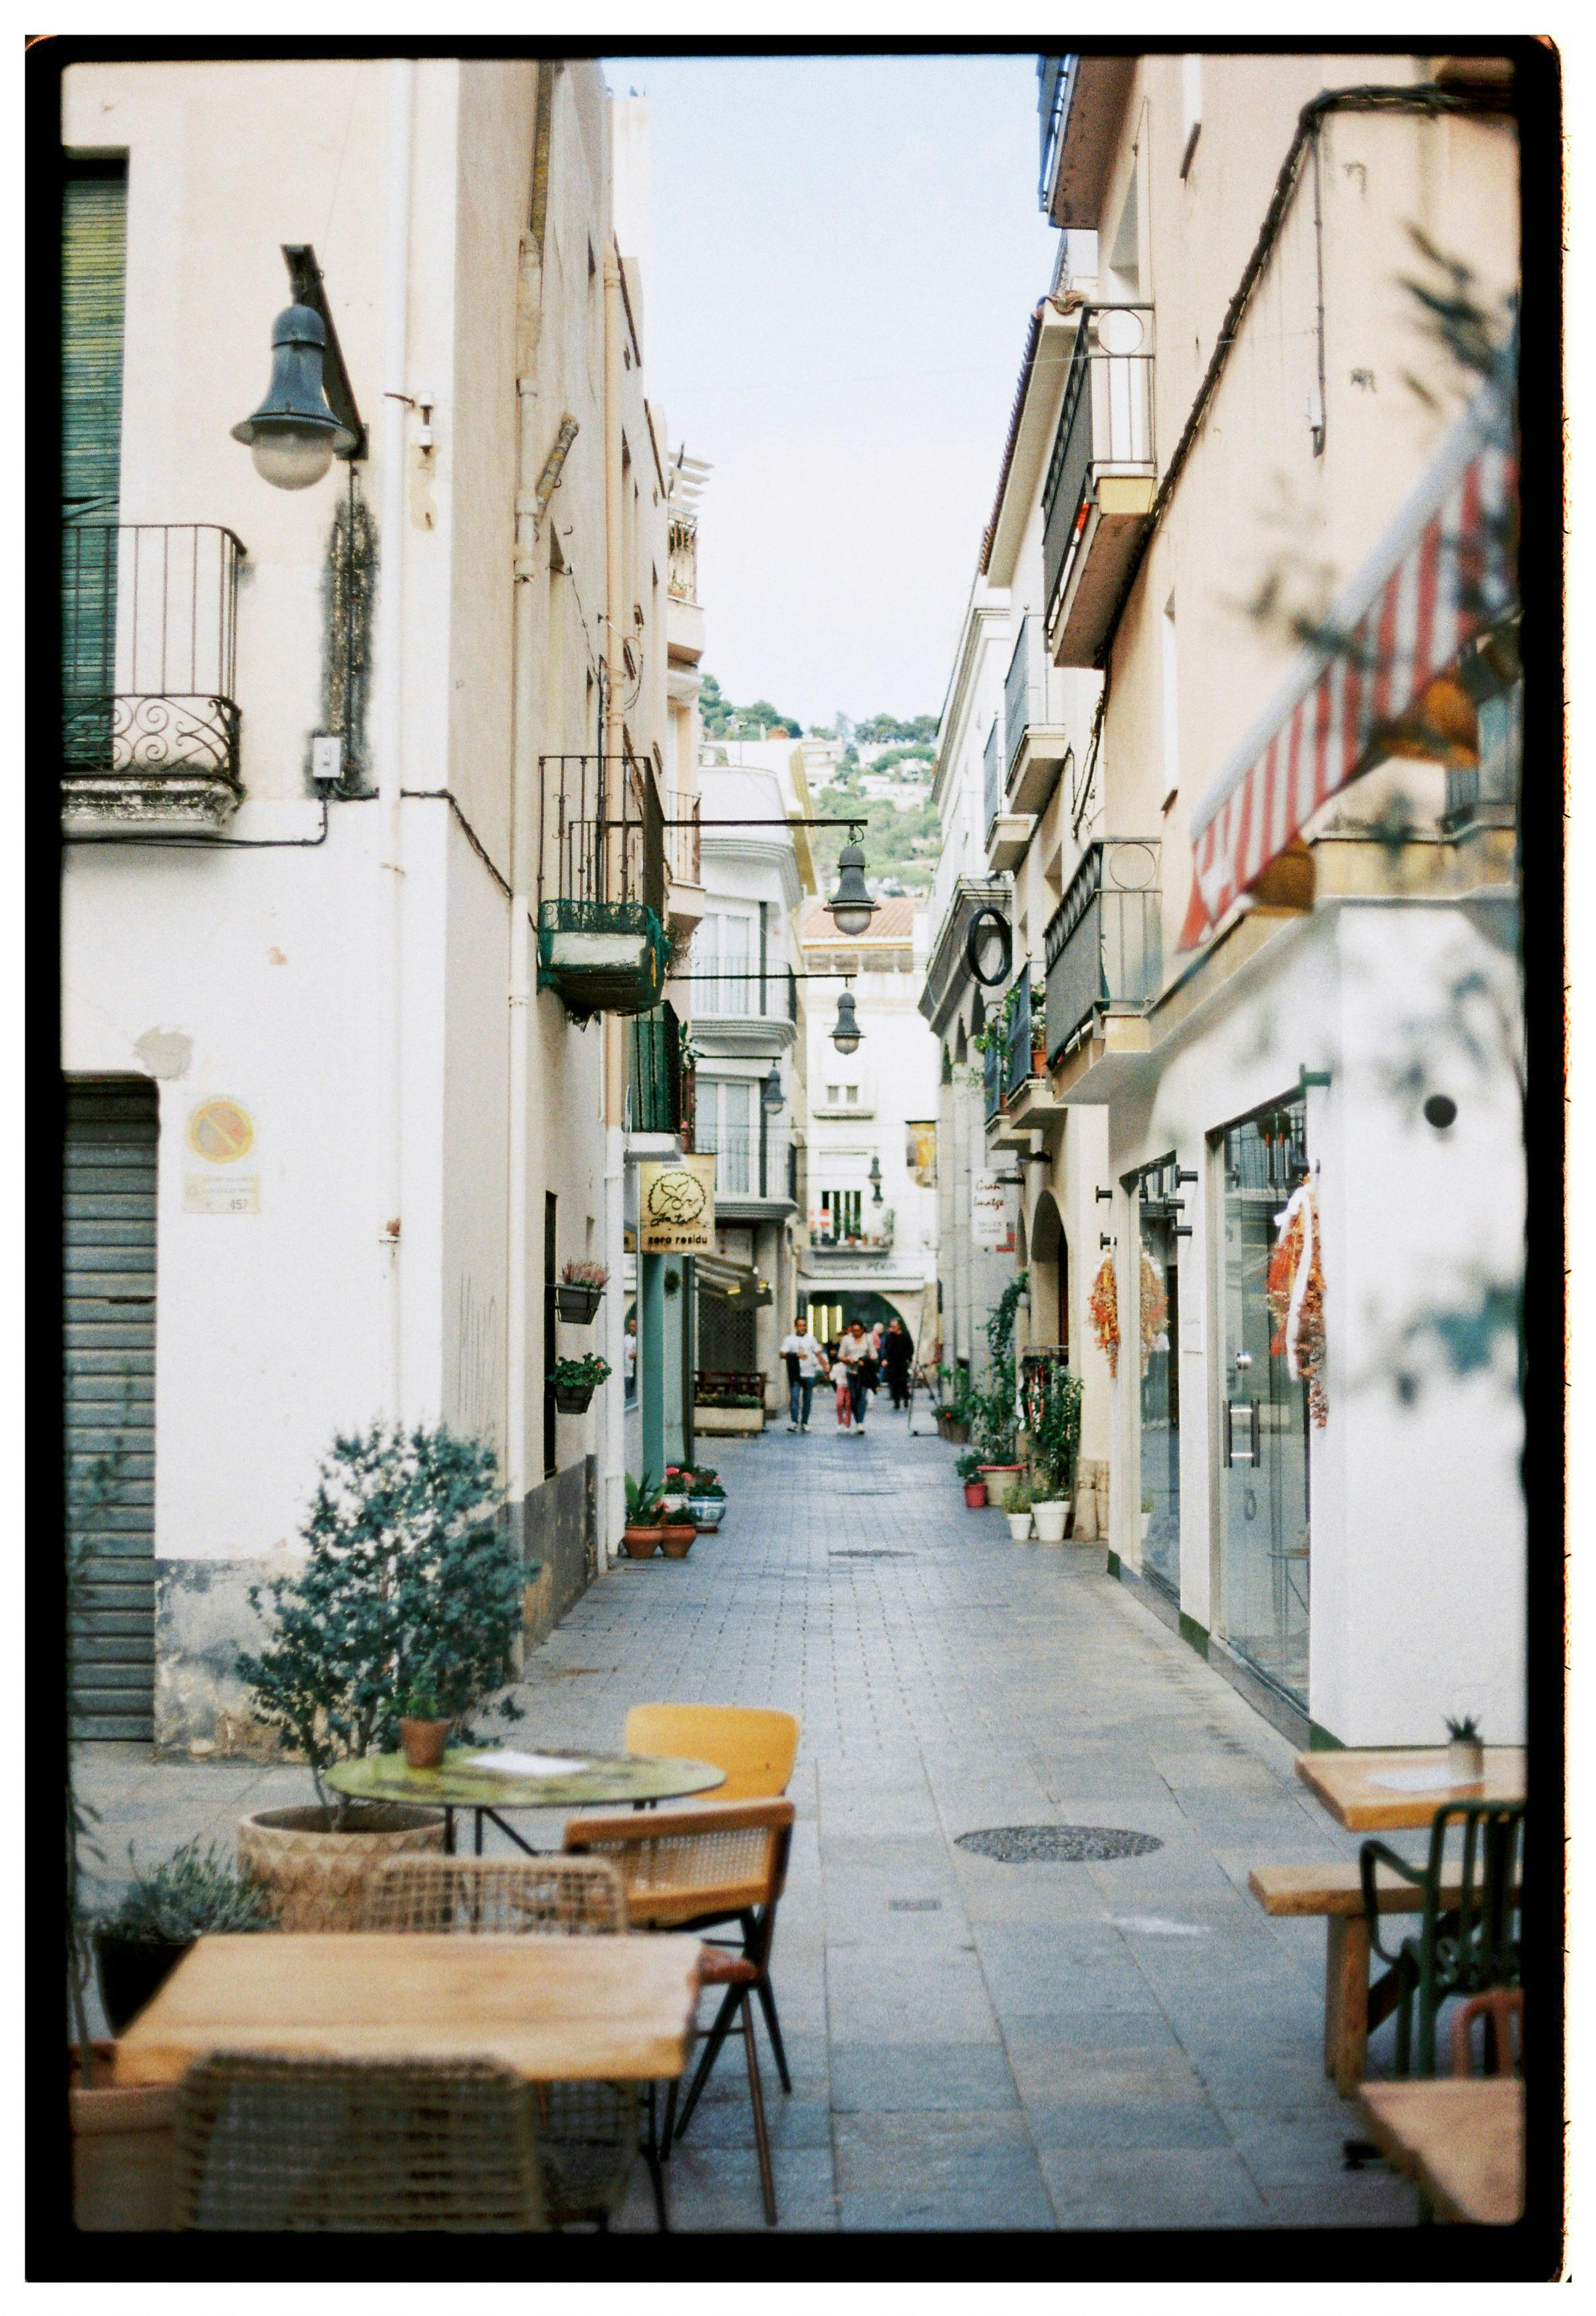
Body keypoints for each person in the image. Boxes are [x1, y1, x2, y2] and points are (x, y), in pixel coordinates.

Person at [779, 1317, 830, 1432]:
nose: (802, 1328)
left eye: (804, 1325)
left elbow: (818, 1354)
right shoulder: (790, 1339)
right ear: (796, 1326)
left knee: (807, 1400)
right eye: (800, 1325)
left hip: (809, 1374)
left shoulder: (811, 1339)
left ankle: (805, 1422)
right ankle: (794, 1422)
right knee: (795, 1398)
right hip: (795, 1374)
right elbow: (782, 1354)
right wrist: (796, 1355)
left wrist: (825, 1366)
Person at [835, 1317, 873, 1434]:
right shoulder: (846, 1339)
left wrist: (864, 1360)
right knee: (854, 1399)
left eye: (858, 1330)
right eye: (854, 1330)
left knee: (862, 1397)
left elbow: (874, 1355)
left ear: (862, 1329)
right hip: (851, 1372)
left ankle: (860, 1423)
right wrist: (848, 1359)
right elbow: (840, 1356)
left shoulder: (868, 1338)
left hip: (864, 1373)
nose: (856, 1333)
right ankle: (858, 1420)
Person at [882, 1317, 912, 1410]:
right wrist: (885, 1359)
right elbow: (886, 1348)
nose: (893, 1328)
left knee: (902, 1382)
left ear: (899, 1326)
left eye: (894, 1326)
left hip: (902, 1362)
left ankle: (906, 1399)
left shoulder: (905, 1335)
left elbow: (910, 1347)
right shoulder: (890, 1336)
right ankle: (896, 1402)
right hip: (892, 1362)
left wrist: (908, 1358)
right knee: (894, 1382)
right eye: (892, 1326)